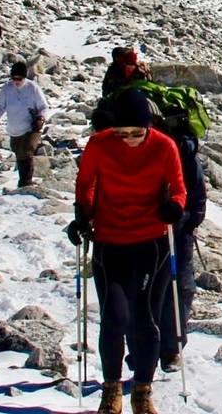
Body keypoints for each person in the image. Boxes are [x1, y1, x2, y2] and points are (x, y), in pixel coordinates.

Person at [66, 88, 187, 414]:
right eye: (123, 133)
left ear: (148, 127)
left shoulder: (164, 147)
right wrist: (84, 212)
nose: (130, 139)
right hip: (110, 241)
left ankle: (142, 392)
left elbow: (178, 188)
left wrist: (174, 208)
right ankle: (111, 390)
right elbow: (86, 182)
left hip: (151, 243)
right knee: (115, 317)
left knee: (144, 319)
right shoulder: (100, 144)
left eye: (137, 133)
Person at [158, 126, 206, 372]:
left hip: (171, 227)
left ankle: (163, 348)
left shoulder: (180, 151)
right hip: (178, 229)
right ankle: (169, 349)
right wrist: (190, 222)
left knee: (166, 288)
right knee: (179, 288)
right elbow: (198, 198)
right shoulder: (186, 150)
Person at [0, 61, 50, 188]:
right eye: (14, 78)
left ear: (24, 77)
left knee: (27, 150)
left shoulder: (33, 88)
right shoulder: (7, 89)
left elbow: (44, 107)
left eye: (19, 78)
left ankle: (26, 182)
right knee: (19, 152)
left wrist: (41, 119)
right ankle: (23, 182)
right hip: (14, 127)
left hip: (32, 126)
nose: (16, 81)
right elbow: (0, 106)